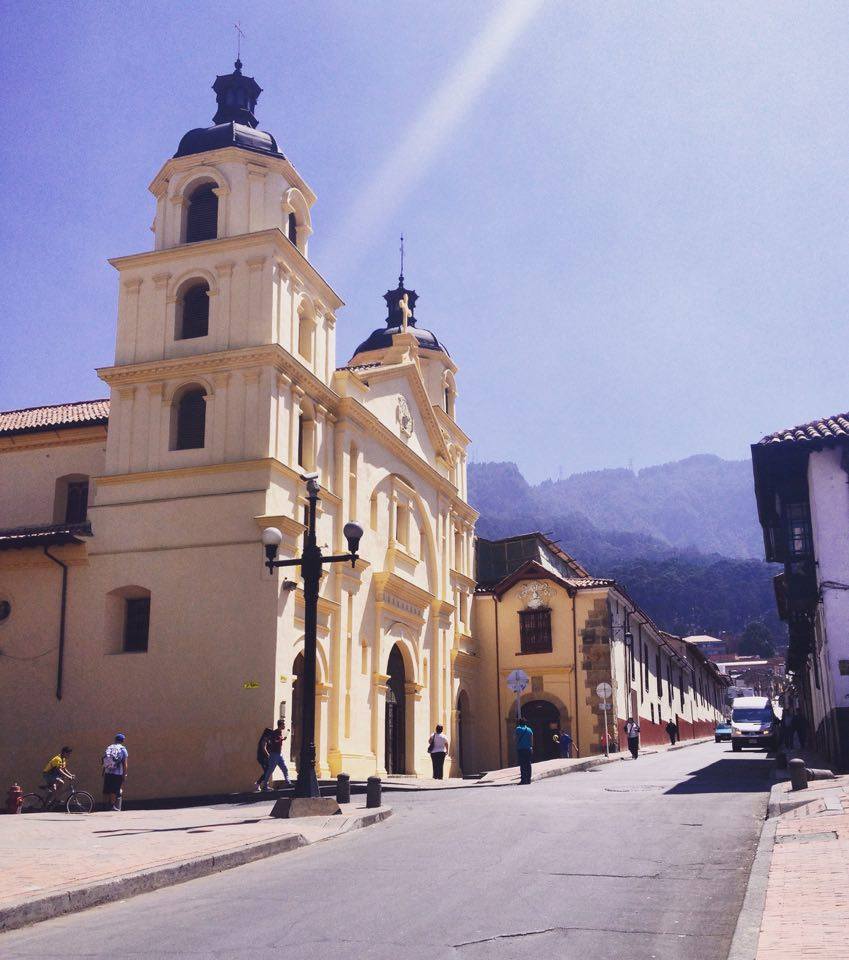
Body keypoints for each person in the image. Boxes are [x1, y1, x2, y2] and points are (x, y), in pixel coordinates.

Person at [258, 720, 290, 790]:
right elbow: (274, 741)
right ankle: (265, 785)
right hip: (274, 754)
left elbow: (278, 741)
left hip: (279, 754)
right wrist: (281, 739)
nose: (284, 726)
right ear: (280, 725)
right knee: (270, 770)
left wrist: (282, 739)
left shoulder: (280, 732)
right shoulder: (275, 733)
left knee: (284, 768)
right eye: (283, 724)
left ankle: (288, 782)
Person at [102, 733, 128, 811]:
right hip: (117, 773)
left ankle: (105, 806)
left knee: (107, 789)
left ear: (115, 739)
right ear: (122, 741)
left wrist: (103, 771)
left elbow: (105, 761)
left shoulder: (109, 747)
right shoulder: (123, 749)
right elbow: (125, 764)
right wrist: (124, 774)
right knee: (114, 790)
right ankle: (112, 806)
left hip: (107, 772)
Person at [253, 726, 274, 792]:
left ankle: (259, 784)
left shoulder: (267, 739)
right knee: (267, 771)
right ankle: (262, 785)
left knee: (267, 771)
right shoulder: (264, 739)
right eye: (270, 733)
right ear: (268, 733)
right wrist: (268, 755)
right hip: (262, 758)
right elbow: (263, 748)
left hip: (264, 758)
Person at [515, 717, 534, 784]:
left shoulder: (518, 729)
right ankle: (528, 780)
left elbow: (516, 738)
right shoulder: (529, 729)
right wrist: (531, 746)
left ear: (519, 723)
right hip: (528, 749)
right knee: (528, 764)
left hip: (521, 749)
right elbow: (531, 739)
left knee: (522, 765)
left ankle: (523, 780)